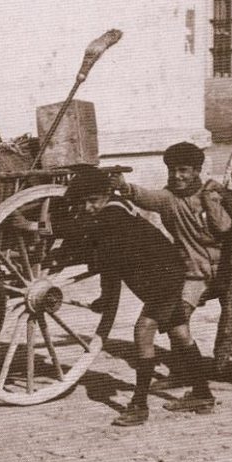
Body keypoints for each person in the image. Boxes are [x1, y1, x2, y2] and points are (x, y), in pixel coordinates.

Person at [116, 142, 232, 414]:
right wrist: (125, 187)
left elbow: (225, 227)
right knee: (176, 322)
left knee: (171, 320)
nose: (176, 176)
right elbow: (147, 197)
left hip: (205, 276)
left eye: (183, 171)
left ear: (196, 171)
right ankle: (187, 378)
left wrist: (210, 201)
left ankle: (195, 390)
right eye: (172, 171)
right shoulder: (169, 198)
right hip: (184, 272)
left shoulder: (211, 194)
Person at [63, 167, 186, 426]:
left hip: (162, 278)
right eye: (83, 202)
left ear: (106, 195)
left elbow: (108, 264)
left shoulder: (111, 218)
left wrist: (105, 298)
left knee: (143, 332)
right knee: (179, 333)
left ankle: (139, 405)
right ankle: (203, 394)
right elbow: (112, 264)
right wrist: (105, 298)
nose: (88, 207)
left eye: (93, 201)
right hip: (165, 273)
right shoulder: (116, 209)